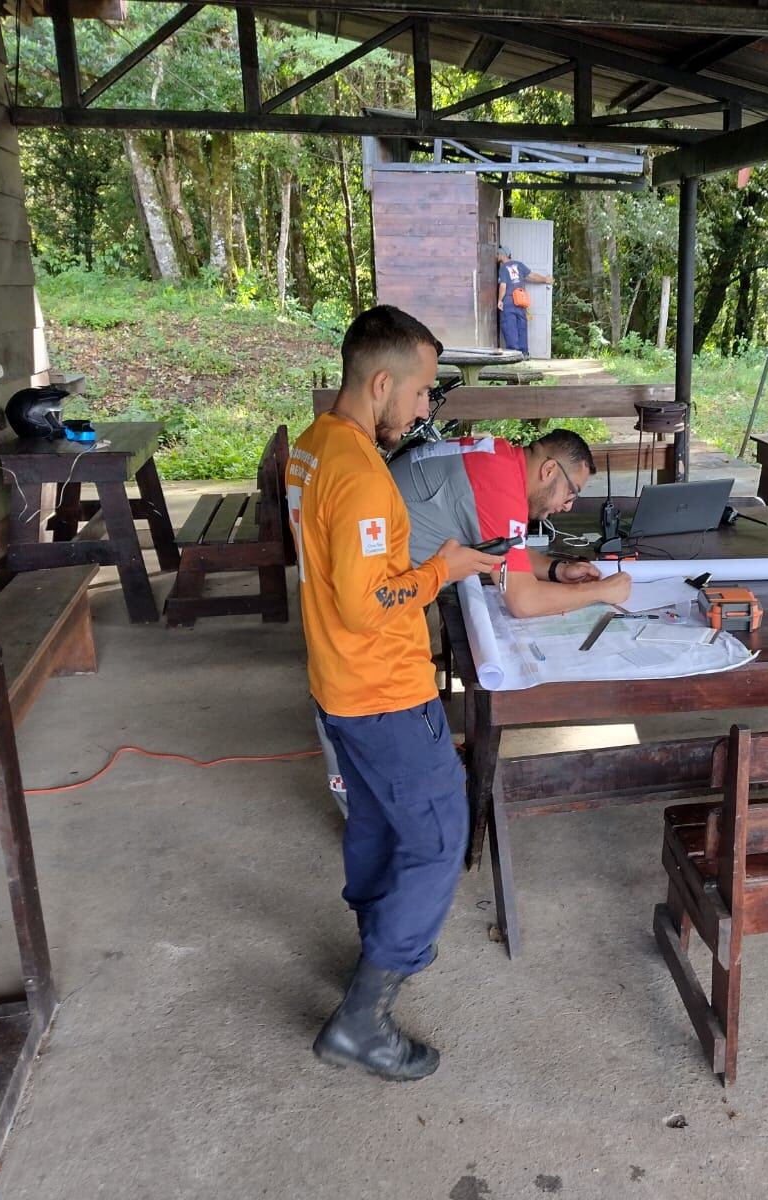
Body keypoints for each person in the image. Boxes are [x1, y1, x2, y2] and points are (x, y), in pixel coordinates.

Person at [287, 304, 505, 1082]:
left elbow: (342, 580)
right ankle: (362, 1019)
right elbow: (367, 601)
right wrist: (438, 570)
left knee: (378, 820)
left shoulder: (311, 449)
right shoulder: (358, 474)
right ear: (381, 382)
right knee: (441, 834)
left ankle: (377, 936)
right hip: (382, 688)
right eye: (419, 395)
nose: (423, 410)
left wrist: (434, 564)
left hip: (337, 684)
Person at [390, 428, 631, 617]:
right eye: (571, 493)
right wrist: (601, 591)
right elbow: (524, 601)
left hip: (394, 583)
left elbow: (505, 551)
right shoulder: (499, 487)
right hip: (385, 595)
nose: (568, 506)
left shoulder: (499, 460)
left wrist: (557, 570)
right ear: (549, 470)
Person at [496, 245, 553, 358]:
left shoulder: (503, 268)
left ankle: (514, 353)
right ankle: (524, 352)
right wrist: (545, 279)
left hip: (509, 301)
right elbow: (532, 276)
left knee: (509, 326)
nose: (496, 256)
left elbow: (503, 286)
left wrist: (499, 300)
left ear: (503, 255)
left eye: (498, 254)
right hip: (521, 300)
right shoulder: (519, 265)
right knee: (521, 326)